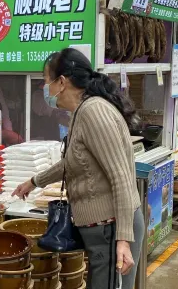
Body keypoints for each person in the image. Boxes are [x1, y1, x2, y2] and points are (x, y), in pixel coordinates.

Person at [12, 48, 144, 289]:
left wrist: (123, 239)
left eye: (46, 80)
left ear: (62, 82)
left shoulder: (94, 112)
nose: (45, 88)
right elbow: (73, 161)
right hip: (103, 230)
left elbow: (121, 178)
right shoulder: (81, 112)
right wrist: (34, 181)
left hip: (112, 228)